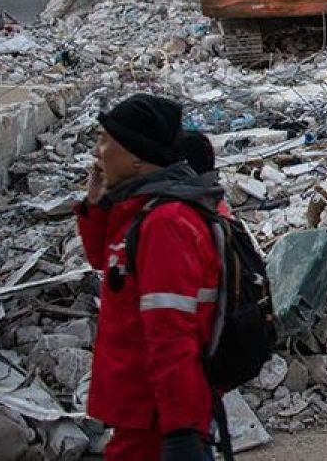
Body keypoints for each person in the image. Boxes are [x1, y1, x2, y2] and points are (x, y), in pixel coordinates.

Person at [74, 94, 222, 461]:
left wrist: (181, 431)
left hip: (156, 414)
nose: (97, 151)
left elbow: (173, 334)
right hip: (142, 412)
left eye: (106, 140)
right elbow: (111, 267)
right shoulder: (140, 209)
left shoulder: (166, 224)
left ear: (136, 157)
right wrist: (95, 207)